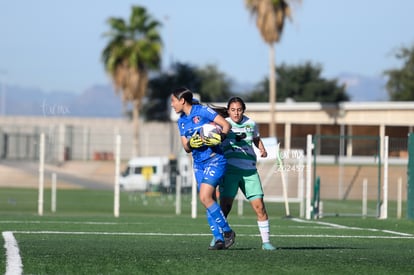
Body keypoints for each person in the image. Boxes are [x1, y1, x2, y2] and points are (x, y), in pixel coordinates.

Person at [170, 87, 236, 250]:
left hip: (215, 161)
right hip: (198, 165)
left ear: (182, 100)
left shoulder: (203, 111)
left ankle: (228, 232)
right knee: (208, 200)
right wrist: (191, 143)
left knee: (205, 197)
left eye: (173, 101)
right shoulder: (181, 121)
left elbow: (226, 126)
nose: (172, 105)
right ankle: (219, 239)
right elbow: (186, 147)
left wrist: (218, 138)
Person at [219, 96, 276, 251]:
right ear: (228, 110)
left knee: (260, 207)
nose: (236, 113)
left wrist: (262, 149)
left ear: (243, 110)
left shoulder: (251, 123)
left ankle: (266, 242)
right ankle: (217, 239)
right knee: (224, 208)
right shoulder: (223, 123)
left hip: (250, 172)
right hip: (229, 171)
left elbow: (256, 138)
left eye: (239, 110)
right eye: (233, 110)